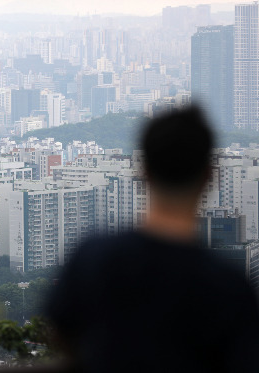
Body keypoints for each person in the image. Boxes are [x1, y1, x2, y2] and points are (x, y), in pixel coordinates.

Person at [46, 107, 259, 372]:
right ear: (209, 176)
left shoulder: (94, 256)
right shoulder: (229, 286)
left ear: (144, 171)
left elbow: (62, 333)